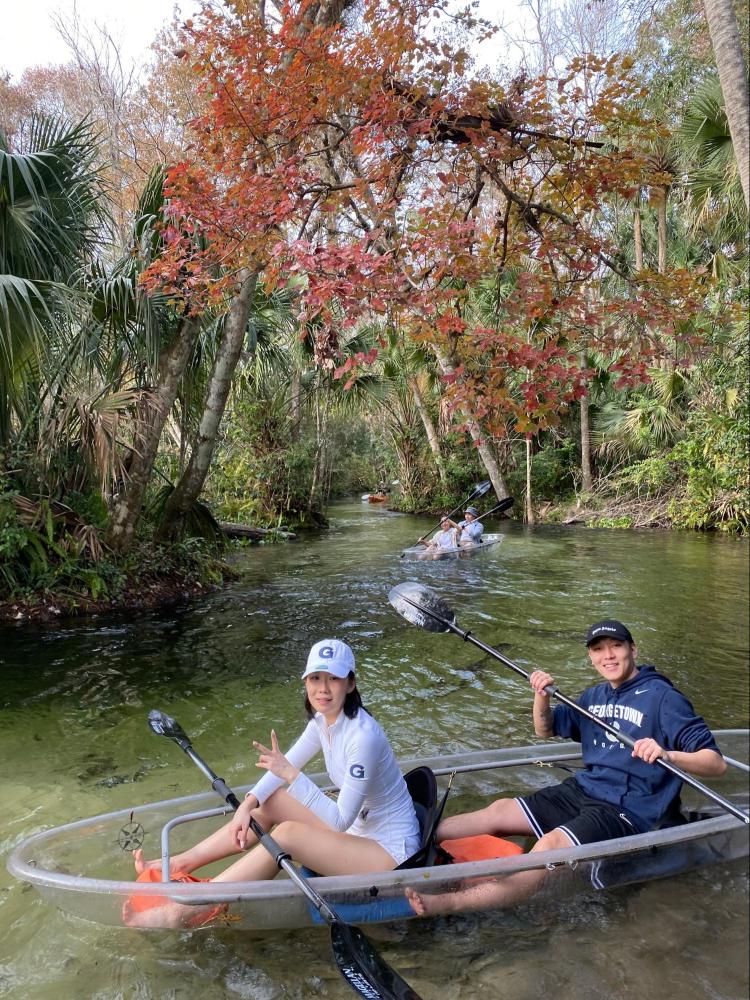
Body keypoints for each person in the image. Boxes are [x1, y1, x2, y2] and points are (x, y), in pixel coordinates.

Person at [406, 618, 726, 916]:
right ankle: (409, 846)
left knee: (549, 849)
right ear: (591, 657)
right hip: (584, 789)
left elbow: (715, 763)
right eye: (598, 649)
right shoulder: (592, 696)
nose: (608, 655)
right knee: (498, 811)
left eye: (616, 646)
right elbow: (545, 729)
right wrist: (541, 696)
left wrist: (668, 754)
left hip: (627, 809)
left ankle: (445, 903)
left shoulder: (663, 698)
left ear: (633, 649)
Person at [124, 639, 421, 928]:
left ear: (350, 684)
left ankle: (197, 904)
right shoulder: (323, 722)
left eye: (334, 678)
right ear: (305, 682)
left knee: (288, 835)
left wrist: (292, 774)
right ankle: (179, 864)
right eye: (315, 678)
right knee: (272, 800)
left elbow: (341, 820)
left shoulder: (363, 737)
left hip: (390, 854)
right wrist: (247, 805)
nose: (323, 688)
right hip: (361, 829)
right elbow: (281, 768)